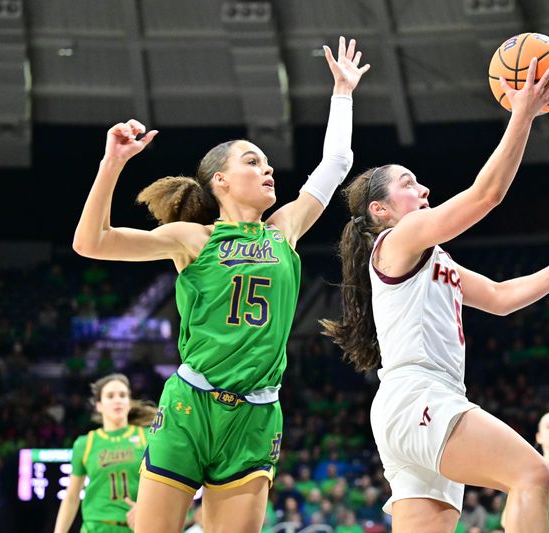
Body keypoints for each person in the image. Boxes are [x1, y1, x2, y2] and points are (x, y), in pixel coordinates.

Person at [73, 36, 369, 533]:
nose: (267, 167)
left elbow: (337, 163)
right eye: (252, 161)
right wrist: (113, 164)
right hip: (192, 404)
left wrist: (342, 93)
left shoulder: (285, 230)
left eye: (267, 162)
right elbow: (92, 242)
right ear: (221, 182)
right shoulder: (194, 238)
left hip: (256, 414)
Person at [322, 58, 549, 532]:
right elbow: (486, 196)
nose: (423, 188)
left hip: (409, 405)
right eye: (408, 184)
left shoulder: (432, 259)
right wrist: (523, 114)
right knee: (532, 474)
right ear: (380, 210)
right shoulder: (397, 240)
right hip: (421, 397)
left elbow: (499, 296)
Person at [53, 374, 156, 533]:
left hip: (136, 527)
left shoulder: (147, 437)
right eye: (110, 396)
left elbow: (162, 485)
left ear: (129, 402)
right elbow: (72, 497)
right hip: (95, 527)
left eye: (122, 395)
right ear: (99, 405)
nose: (117, 400)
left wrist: (147, 509)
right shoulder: (85, 444)